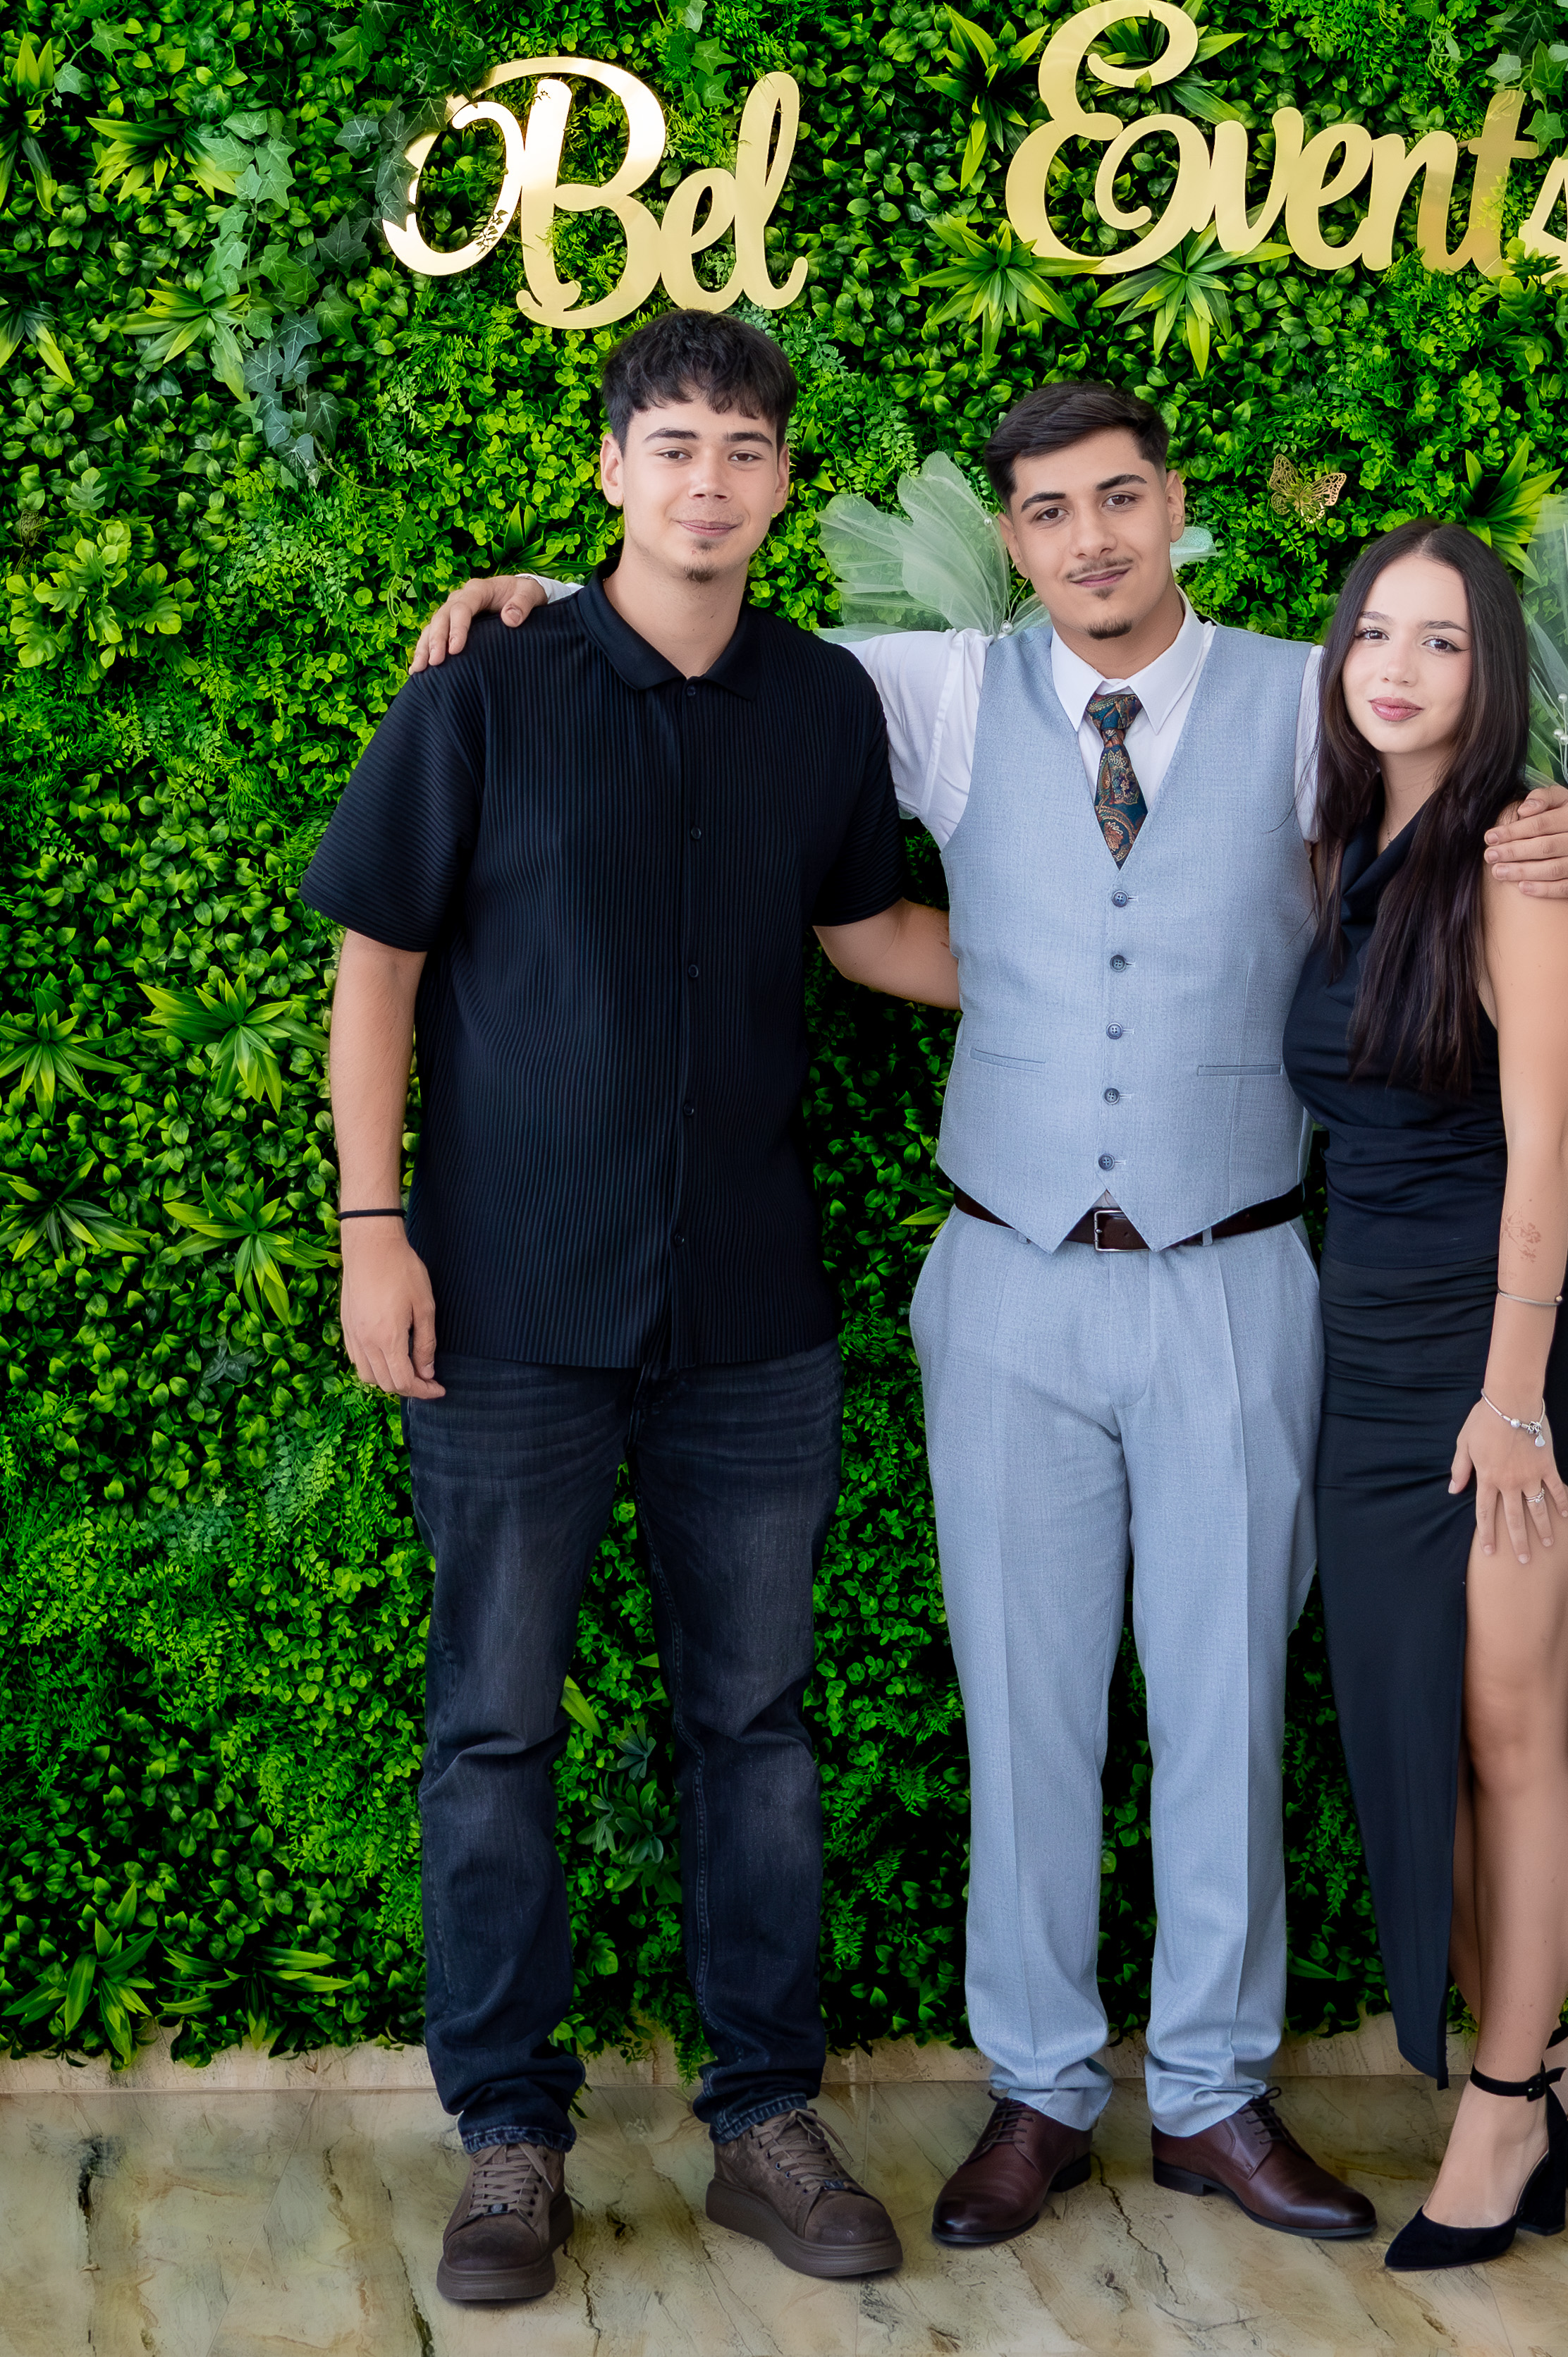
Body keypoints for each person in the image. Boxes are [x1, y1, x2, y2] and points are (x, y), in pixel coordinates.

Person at [417, 382, 1568, 2251]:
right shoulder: (936, 690)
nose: (1090, 540)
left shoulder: (1313, 693)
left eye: (1119, 500)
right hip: (1004, 1276)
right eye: (1049, 513)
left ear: (1174, 504)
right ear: (1009, 538)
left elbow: (1461, 792)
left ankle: (1212, 2092)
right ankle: (1040, 2085)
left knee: (1226, 1708)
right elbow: (710, 636)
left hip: (1234, 1270)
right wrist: (534, 595)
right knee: (1025, 1711)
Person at [303, 310, 962, 2304]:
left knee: (752, 1726)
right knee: (494, 1728)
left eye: (744, 449)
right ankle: (508, 2138)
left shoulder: (823, 702)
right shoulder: (486, 686)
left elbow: (868, 931)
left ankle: (765, 2120)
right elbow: (375, 961)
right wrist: (370, 1226)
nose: (707, 479)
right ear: (611, 469)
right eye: (671, 443)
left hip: (750, 1314)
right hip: (507, 1304)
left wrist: (1142, 960)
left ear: (781, 483)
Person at [1281, 521, 1568, 2272]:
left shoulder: (1522, 859)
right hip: (1368, 1357)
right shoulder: (1340, 844)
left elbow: (1545, 1150)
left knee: (1516, 1725)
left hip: (1506, 1355)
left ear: (1491, 672)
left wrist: (1512, 1398)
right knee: (1426, 1733)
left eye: (1442, 641)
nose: (1399, 668)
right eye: (1375, 632)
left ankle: (1506, 2103)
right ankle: (1555, 2063)